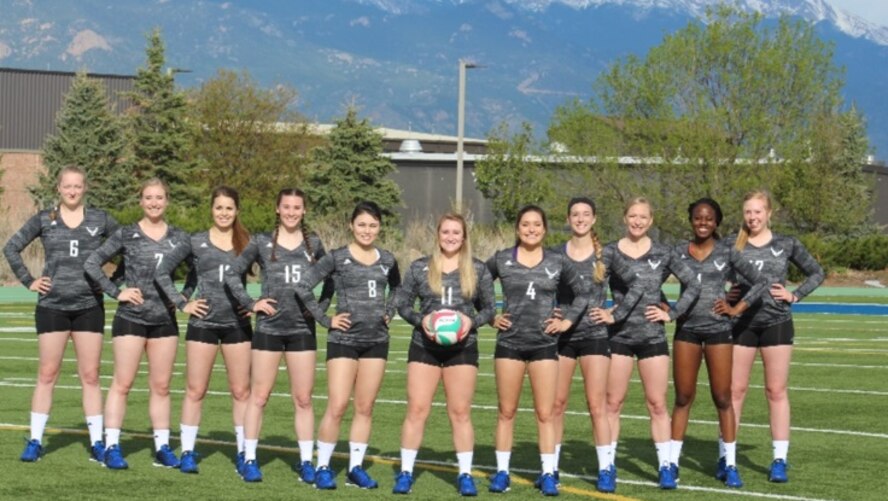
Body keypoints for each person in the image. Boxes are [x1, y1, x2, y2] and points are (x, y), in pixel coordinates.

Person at [4, 166, 118, 463]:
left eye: (77, 186)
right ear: (58, 188)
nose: (72, 191)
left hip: (89, 307)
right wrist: (29, 280)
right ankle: (36, 440)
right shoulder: (45, 218)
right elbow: (11, 247)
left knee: (90, 376)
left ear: (85, 188)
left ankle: (97, 443)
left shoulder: (100, 219)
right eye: (67, 186)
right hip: (52, 306)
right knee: (47, 374)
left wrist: (111, 284)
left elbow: (129, 247)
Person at [588, 197, 701, 490]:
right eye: (632, 216)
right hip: (619, 337)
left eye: (643, 217)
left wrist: (672, 313)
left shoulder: (663, 252)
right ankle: (607, 467)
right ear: (625, 218)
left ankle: (665, 466)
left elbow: (694, 284)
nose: (637, 221)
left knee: (657, 404)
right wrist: (607, 312)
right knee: (612, 404)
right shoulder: (611, 251)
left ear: (650, 221)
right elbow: (596, 287)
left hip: (652, 337)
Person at [84, 178, 193, 470]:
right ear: (141, 201)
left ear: (167, 200)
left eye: (159, 198)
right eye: (148, 198)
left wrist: (184, 296)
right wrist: (117, 292)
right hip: (130, 319)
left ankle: (162, 447)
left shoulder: (180, 238)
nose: (154, 203)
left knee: (161, 386)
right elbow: (92, 263)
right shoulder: (127, 234)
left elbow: (199, 268)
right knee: (123, 383)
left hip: (164, 322)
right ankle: (112, 446)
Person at [226, 188, 332, 483]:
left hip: (302, 330)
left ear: (304, 210)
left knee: (303, 399)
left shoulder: (315, 245)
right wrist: (251, 303)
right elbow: (233, 274)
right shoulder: (261, 241)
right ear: (277, 209)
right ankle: (248, 458)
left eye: (297, 207)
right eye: (286, 207)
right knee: (259, 397)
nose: (291, 212)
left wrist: (320, 309)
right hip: (269, 330)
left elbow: (332, 277)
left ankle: (305, 462)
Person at [295, 201, 401, 490]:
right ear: (351, 226)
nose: (367, 230)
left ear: (379, 227)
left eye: (373, 225)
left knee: (365, 407)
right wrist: (325, 319)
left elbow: (399, 289)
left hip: (376, 341)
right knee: (338, 405)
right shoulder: (337, 258)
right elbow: (303, 285)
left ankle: (356, 468)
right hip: (343, 341)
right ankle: (323, 467)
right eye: (362, 224)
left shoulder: (388, 259)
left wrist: (390, 312)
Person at [391, 213, 496, 496]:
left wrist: (470, 322)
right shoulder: (419, 267)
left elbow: (490, 309)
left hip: (462, 348)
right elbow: (402, 304)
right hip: (424, 345)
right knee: (417, 409)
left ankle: (465, 475)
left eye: (456, 233)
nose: (451, 237)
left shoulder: (478, 269)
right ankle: (405, 472)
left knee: (460, 412)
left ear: (464, 237)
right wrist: (421, 320)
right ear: (438, 234)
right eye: (446, 232)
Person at [486, 204, 586, 497]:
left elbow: (583, 293)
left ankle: (548, 474)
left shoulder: (557, 261)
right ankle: (502, 472)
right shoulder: (503, 259)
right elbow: (476, 283)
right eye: (526, 225)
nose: (531, 229)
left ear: (544, 229)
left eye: (537, 225)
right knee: (506, 412)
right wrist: (490, 315)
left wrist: (566, 321)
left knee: (546, 413)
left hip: (544, 345)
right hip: (510, 344)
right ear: (517, 229)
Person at [667, 198, 767, 488]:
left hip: (719, 332)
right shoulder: (677, 252)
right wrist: (666, 307)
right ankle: (671, 462)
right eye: (698, 218)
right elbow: (651, 281)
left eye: (709, 219)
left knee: (723, 398)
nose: (703, 223)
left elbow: (760, 281)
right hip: (686, 331)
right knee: (683, 397)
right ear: (691, 220)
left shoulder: (727, 251)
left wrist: (737, 308)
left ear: (716, 222)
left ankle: (730, 463)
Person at [154, 186, 254, 474]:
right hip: (203, 324)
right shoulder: (195, 241)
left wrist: (254, 303)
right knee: (195, 390)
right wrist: (181, 303)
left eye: (229, 208)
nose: (224, 213)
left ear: (237, 211)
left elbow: (271, 273)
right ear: (212, 209)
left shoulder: (246, 242)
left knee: (240, 392)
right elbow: (162, 272)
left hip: (238, 325)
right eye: (219, 207)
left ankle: (244, 454)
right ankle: (187, 451)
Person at [727, 190, 824, 483]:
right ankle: (728, 458)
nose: (752, 217)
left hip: (777, 323)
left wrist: (795, 295)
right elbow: (715, 274)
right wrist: (727, 291)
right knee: (734, 392)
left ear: (770, 213)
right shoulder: (733, 245)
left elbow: (816, 273)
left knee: (776, 391)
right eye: (748, 212)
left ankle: (779, 459)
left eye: (758, 212)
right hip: (741, 324)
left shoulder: (785, 243)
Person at [549, 197, 617, 493]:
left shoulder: (608, 255)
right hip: (562, 337)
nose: (580, 219)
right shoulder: (555, 254)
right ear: (568, 218)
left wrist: (614, 313)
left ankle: (605, 469)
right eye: (575, 214)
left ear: (594, 218)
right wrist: (548, 310)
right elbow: (541, 289)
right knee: (556, 405)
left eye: (585, 214)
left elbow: (638, 285)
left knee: (596, 405)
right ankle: (550, 469)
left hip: (594, 336)